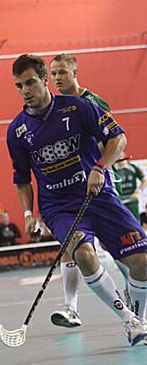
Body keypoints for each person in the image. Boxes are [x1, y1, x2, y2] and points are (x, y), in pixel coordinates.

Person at [7, 54, 147, 346]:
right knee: (83, 254)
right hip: (59, 207)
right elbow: (22, 179)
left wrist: (100, 167)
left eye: (30, 82)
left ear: (45, 80)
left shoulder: (79, 107)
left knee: (141, 261)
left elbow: (118, 138)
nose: (25, 91)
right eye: (19, 86)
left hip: (100, 196)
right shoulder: (17, 131)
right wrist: (28, 215)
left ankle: (139, 319)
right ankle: (127, 319)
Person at [48, 53, 133, 327]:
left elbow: (112, 141)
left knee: (111, 243)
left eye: (62, 72)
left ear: (75, 73)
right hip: (70, 189)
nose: (57, 78)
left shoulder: (92, 102)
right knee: (71, 244)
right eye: (53, 73)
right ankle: (71, 308)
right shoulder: (53, 108)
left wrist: (97, 166)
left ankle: (132, 291)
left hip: (100, 182)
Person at [115, 154, 146, 220]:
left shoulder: (132, 167)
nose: (119, 156)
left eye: (121, 154)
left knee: (135, 223)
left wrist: (137, 192)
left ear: (124, 154)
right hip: (119, 203)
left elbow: (144, 181)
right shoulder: (113, 169)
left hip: (132, 202)